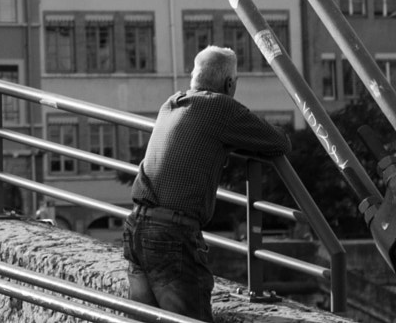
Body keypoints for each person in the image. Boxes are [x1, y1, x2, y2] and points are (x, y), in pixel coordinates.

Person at [124, 45, 289, 320]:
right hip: (171, 236)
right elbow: (279, 142)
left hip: (137, 226)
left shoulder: (171, 103)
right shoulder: (220, 107)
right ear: (229, 83)